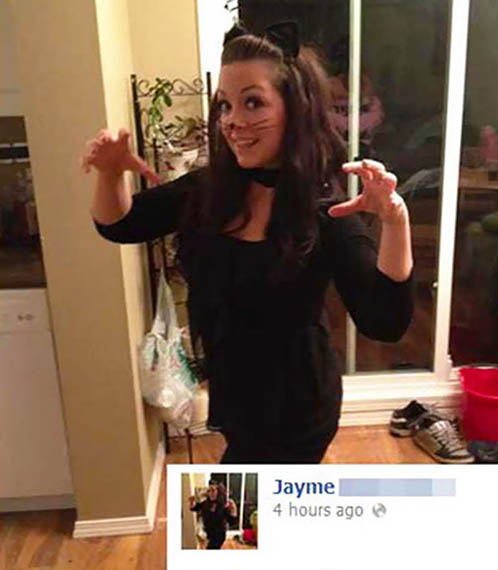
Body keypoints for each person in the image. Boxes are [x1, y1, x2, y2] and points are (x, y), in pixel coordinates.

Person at [82, 21, 413, 463]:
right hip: (238, 399)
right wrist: (109, 173)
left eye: (253, 102)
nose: (233, 121)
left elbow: (385, 321)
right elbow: (119, 224)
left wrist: (395, 220)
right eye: (225, 105)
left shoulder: (322, 211)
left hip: (298, 408)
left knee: (238, 506)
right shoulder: (209, 192)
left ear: (295, 109)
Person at [188, 481, 237, 550]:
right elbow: (193, 508)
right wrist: (191, 501)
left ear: (218, 492)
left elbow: (232, 522)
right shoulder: (206, 503)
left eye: (213, 490)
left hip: (219, 535)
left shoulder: (223, 505)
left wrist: (234, 509)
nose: (210, 493)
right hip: (209, 533)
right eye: (209, 491)